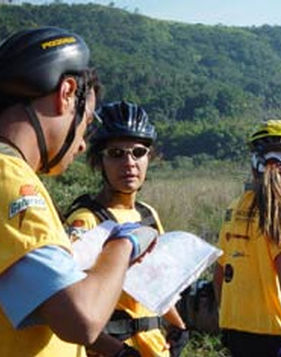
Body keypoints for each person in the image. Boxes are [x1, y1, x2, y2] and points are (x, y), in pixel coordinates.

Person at [0, 27, 150, 356]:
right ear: (66, 93)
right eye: (83, 121)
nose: (82, 143)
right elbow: (81, 317)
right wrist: (124, 243)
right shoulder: (2, 177)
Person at [64, 101, 188, 357]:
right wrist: (118, 352)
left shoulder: (147, 214)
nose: (130, 163)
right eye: (116, 154)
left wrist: (178, 325)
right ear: (99, 162)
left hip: (154, 348)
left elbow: (157, 284)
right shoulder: (86, 221)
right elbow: (70, 309)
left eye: (139, 152)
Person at [214, 120, 281, 357]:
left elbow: (220, 274)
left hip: (237, 328)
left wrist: (226, 317)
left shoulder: (234, 209)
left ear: (254, 167)